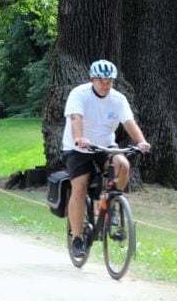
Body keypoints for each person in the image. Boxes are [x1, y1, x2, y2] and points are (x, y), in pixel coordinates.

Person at [63, 59, 150, 258]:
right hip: (77, 148)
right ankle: (77, 239)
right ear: (92, 79)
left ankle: (112, 202)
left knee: (123, 164)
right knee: (80, 187)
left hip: (104, 145)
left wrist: (142, 142)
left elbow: (129, 122)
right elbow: (76, 118)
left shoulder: (118, 99)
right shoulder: (79, 94)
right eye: (101, 80)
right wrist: (79, 139)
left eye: (109, 81)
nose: (105, 85)